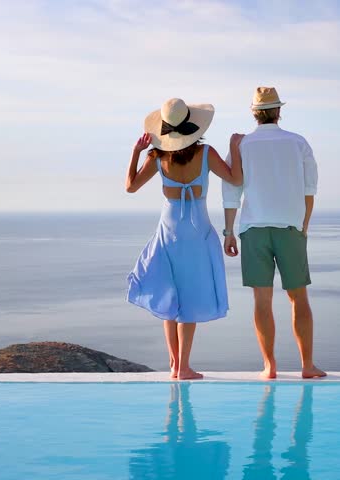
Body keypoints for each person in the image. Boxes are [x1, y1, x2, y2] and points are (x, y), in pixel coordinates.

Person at [125, 98, 243, 380]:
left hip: (169, 233)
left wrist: (136, 152)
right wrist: (235, 150)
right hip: (197, 234)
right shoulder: (205, 154)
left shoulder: (157, 158)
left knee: (170, 297)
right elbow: (236, 179)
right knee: (189, 300)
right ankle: (184, 366)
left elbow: (130, 187)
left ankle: (174, 364)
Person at [223, 87, 327, 379]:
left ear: (254, 113)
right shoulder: (298, 143)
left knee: (262, 300)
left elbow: (232, 191)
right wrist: (304, 226)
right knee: (299, 298)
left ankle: (269, 366)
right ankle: (307, 365)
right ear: (279, 111)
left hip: (253, 230)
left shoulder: (242, 145)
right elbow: (310, 189)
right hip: (290, 228)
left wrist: (229, 231)